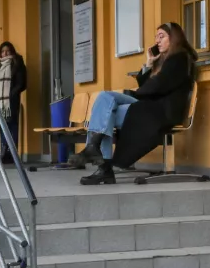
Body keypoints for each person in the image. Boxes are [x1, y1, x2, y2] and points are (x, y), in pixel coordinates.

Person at [73, 22, 197, 185]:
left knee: (106, 110)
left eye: (162, 37)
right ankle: (97, 154)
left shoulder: (179, 59)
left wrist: (134, 94)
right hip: (150, 105)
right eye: (156, 37)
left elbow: (158, 85)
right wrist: (149, 64)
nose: (157, 41)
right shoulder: (164, 60)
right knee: (104, 102)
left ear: (174, 38)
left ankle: (101, 163)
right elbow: (148, 85)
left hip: (162, 110)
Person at [0, 41, 27, 164]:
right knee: (2, 126)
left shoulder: (17, 64)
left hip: (11, 102)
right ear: (0, 53)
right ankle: (4, 152)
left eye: (7, 51)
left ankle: (12, 153)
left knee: (12, 126)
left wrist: (11, 94)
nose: (5, 53)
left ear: (12, 51)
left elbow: (22, 83)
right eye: (3, 51)